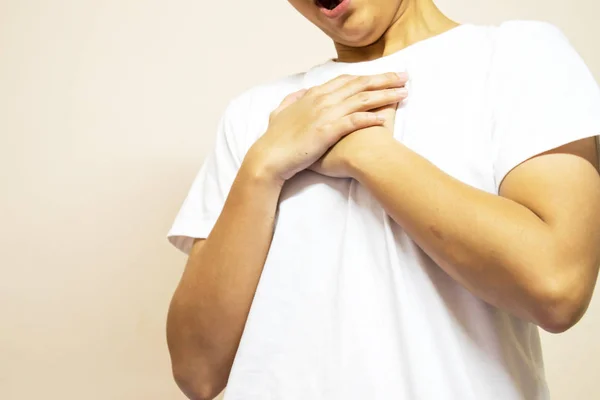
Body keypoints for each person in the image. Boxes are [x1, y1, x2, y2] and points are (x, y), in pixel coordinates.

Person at [165, 0, 600, 399]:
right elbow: (196, 371)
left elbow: (556, 286)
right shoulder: (256, 115)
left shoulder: (515, 57)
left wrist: (366, 152)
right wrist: (263, 166)